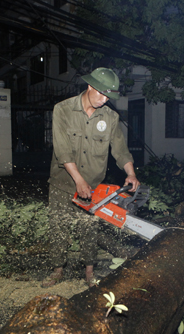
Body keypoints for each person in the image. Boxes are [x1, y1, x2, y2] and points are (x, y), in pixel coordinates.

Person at [42, 67, 140, 288]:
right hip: (63, 183)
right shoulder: (63, 110)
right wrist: (78, 180)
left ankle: (89, 273)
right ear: (90, 86)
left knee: (89, 230)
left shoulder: (110, 117)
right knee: (58, 228)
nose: (105, 100)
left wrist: (131, 174)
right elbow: (62, 150)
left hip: (93, 187)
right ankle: (57, 270)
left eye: (109, 96)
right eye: (102, 94)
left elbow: (120, 150)